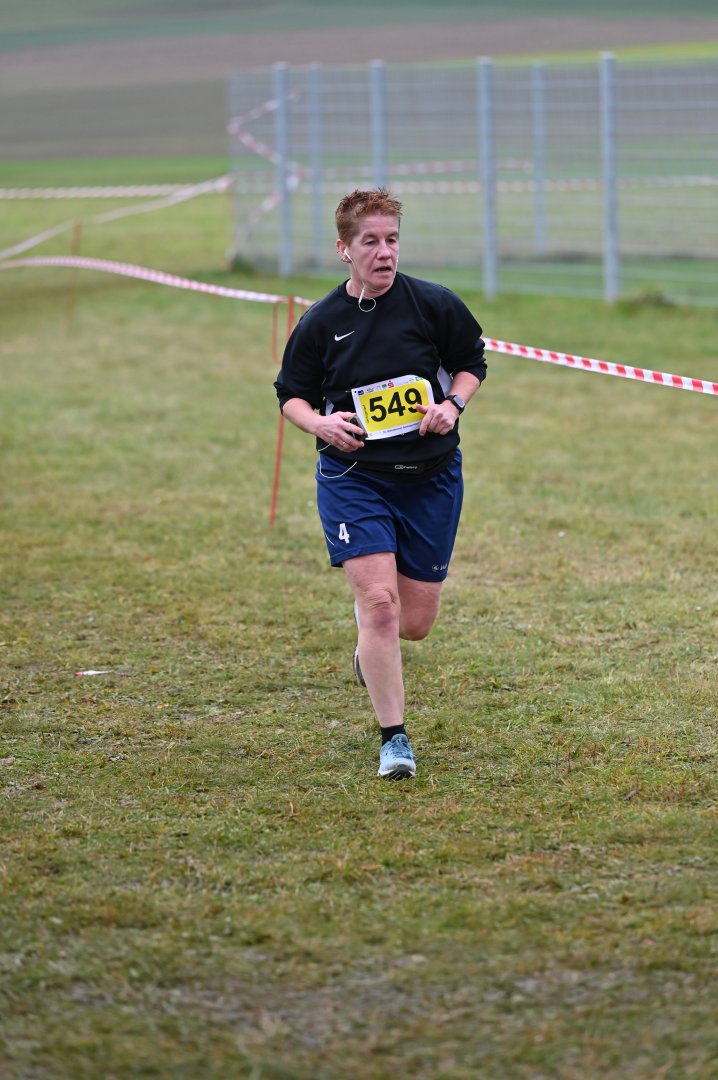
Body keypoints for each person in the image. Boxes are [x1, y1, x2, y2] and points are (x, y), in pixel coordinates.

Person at [274, 188, 486, 779]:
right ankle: (395, 740)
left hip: (430, 477)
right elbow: (290, 394)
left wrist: (452, 404)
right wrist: (319, 423)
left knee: (414, 623)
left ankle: (371, 644)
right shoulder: (322, 322)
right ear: (344, 249)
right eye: (370, 241)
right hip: (353, 477)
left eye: (392, 239)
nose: (385, 252)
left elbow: (471, 362)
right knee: (380, 606)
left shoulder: (433, 304)